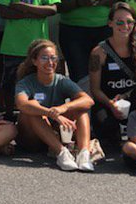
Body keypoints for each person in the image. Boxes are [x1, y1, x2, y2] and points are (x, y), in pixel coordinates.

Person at [13, 39, 95, 172]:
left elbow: (88, 100)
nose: (50, 62)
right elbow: (21, 104)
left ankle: (83, 154)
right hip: (32, 140)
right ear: (34, 61)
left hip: (56, 131)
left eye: (53, 58)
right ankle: (61, 153)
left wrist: (63, 108)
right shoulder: (26, 82)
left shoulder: (61, 80)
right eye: (44, 58)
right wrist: (50, 113)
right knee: (32, 109)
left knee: (81, 109)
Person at [88, 2, 136, 147]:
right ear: (110, 23)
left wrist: (125, 96)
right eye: (119, 22)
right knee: (107, 130)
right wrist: (110, 104)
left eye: (129, 22)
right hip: (108, 101)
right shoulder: (98, 52)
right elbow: (95, 90)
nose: (125, 26)